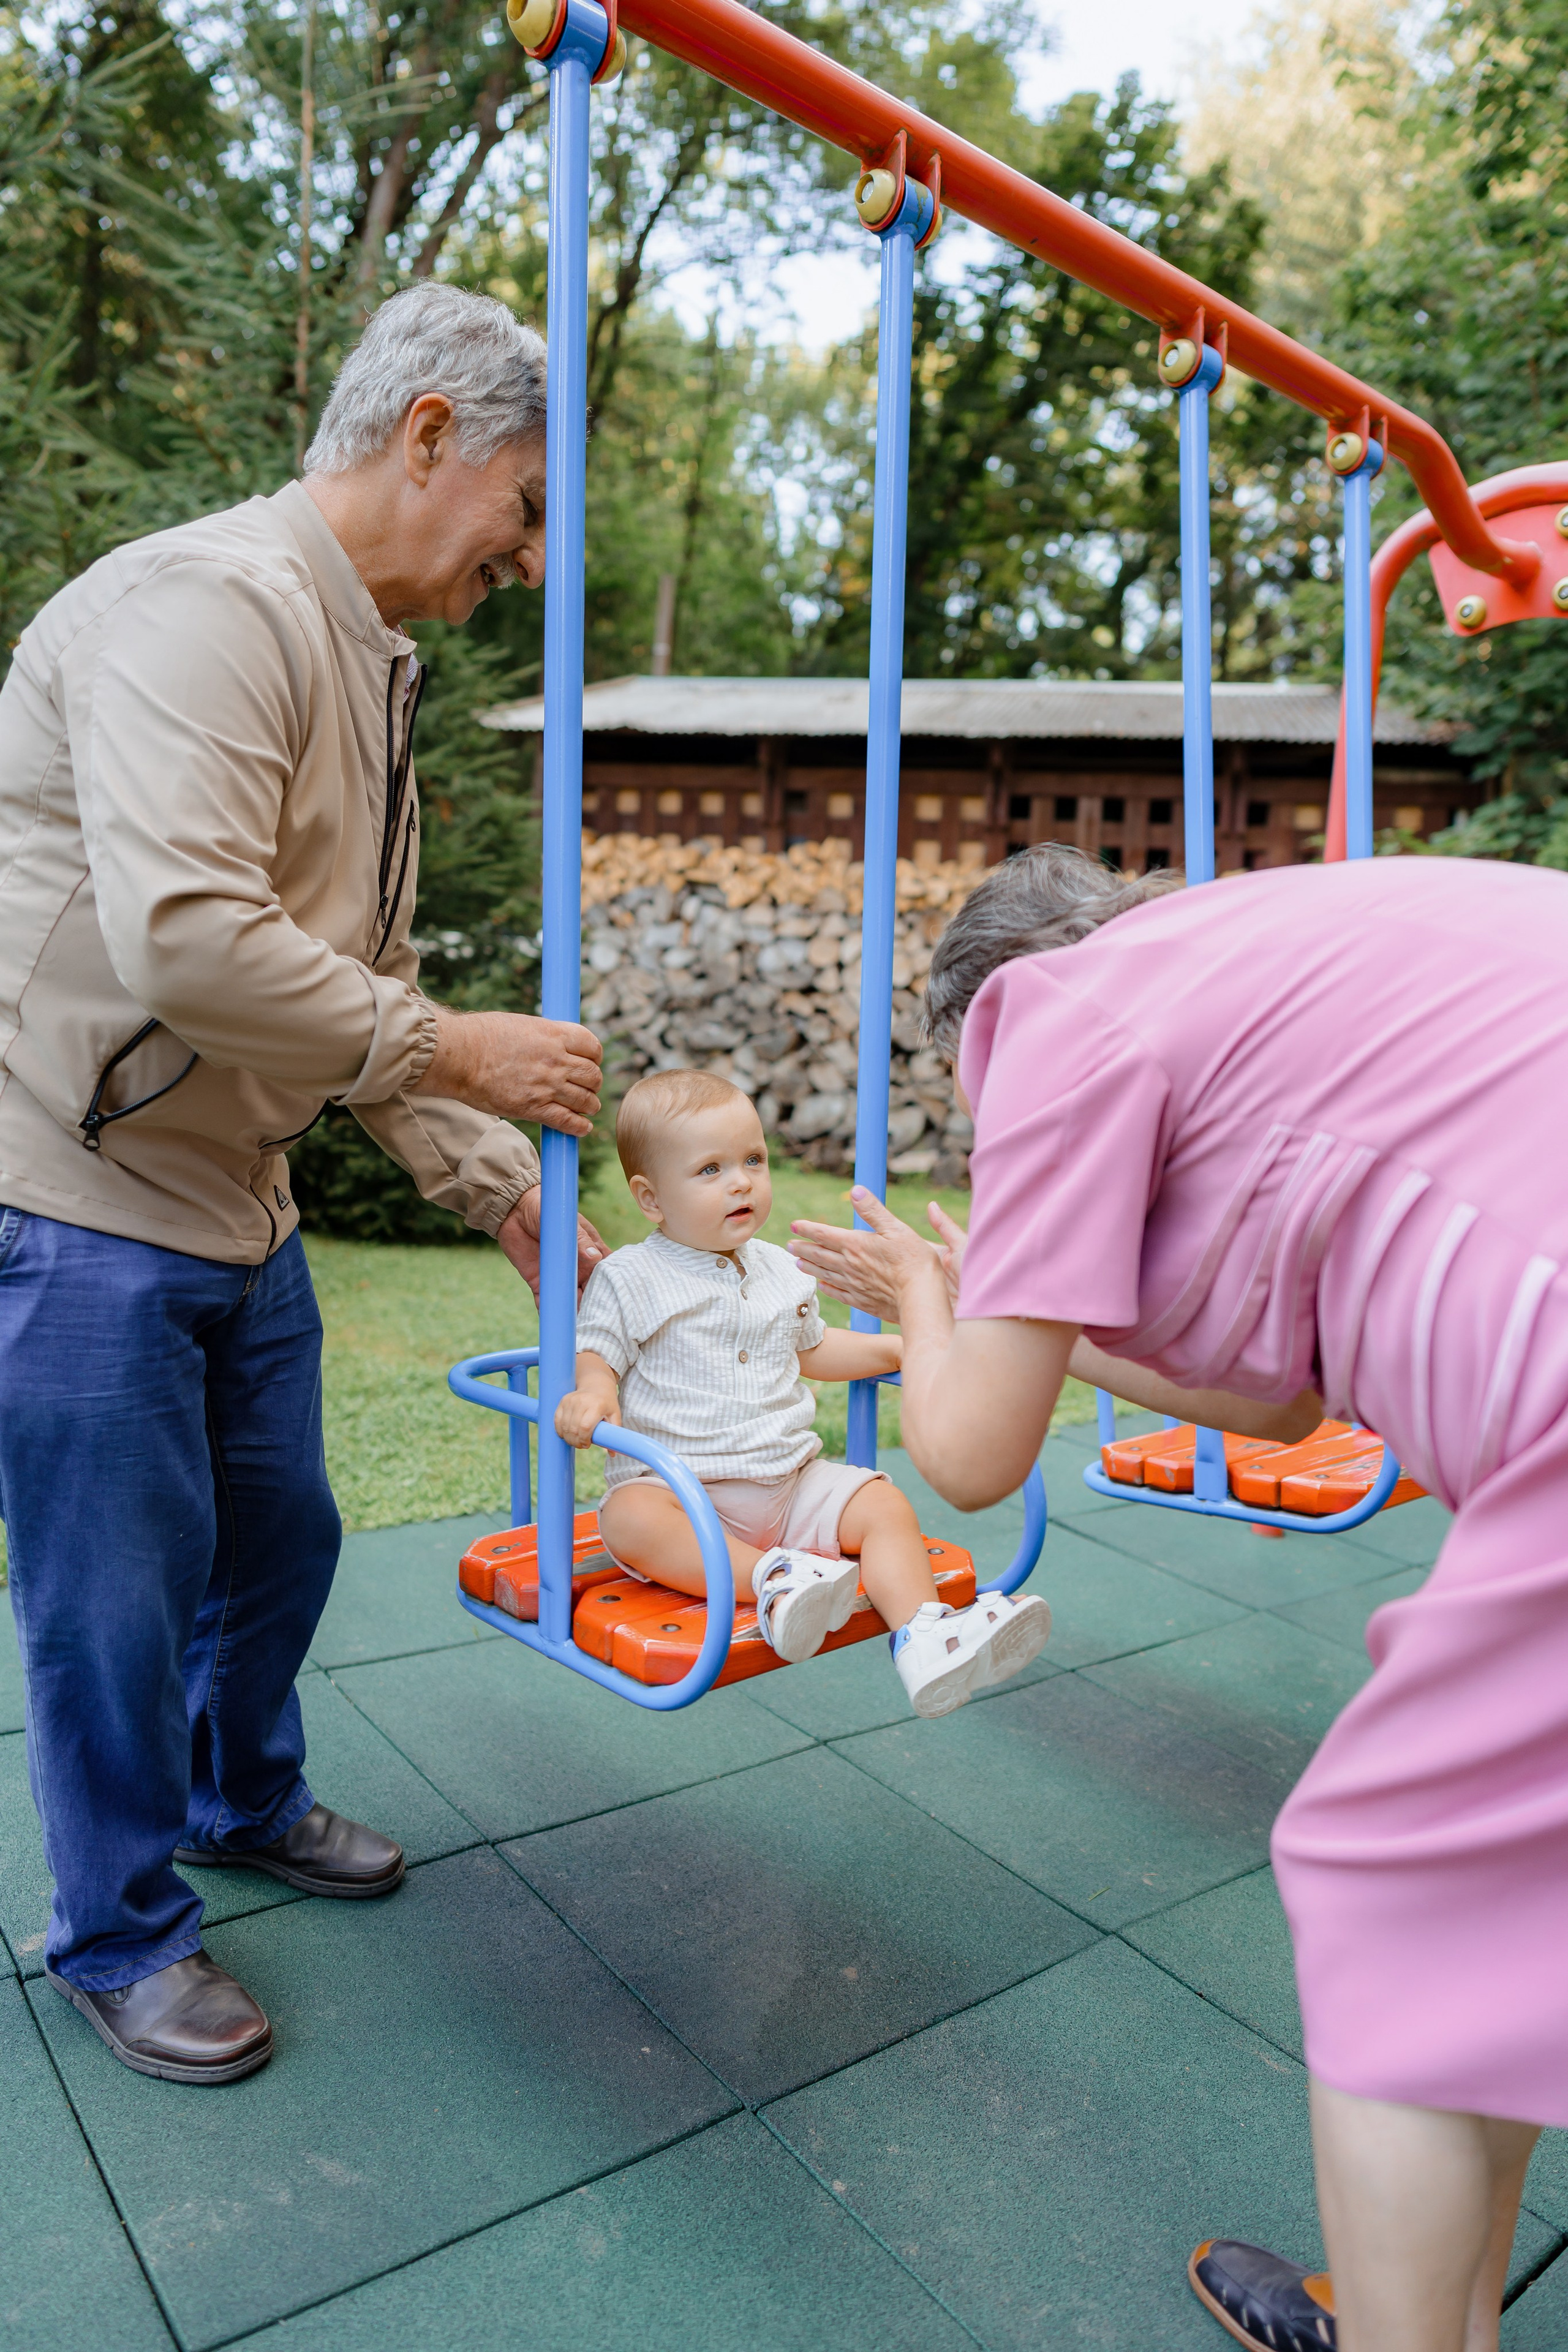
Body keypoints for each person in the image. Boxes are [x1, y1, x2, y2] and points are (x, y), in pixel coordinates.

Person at [787, 841, 1568, 2352]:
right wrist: (1031, 1312)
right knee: (1496, 1909)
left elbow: (963, 1448)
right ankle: (1440, 2309)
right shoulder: (1278, 959)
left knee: (1389, 1884)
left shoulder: (1060, 1014)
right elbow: (1278, 1408)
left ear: (983, 1019)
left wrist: (932, 1302)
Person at [0, 282, 607, 2086]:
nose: (526, 551)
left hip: (232, 1191)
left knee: (284, 1537)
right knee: (111, 1595)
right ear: (426, 432)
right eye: (519, 500)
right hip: (73, 1186)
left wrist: (494, 1180)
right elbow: (192, 943)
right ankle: (116, 1927)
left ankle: (231, 1792)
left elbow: (357, 971)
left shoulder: (366, 658)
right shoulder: (212, 606)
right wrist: (464, 1053)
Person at [553, 1068, 1050, 1714]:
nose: (741, 1181)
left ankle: (926, 1637)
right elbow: (598, 1350)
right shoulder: (631, 1276)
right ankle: (773, 1579)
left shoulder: (779, 1269)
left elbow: (812, 1349)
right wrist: (593, 1391)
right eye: (710, 1170)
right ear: (650, 1199)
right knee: (627, 1518)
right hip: (686, 1494)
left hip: (791, 1484)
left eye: (752, 1160)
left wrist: (906, 1348)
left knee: (879, 1503)